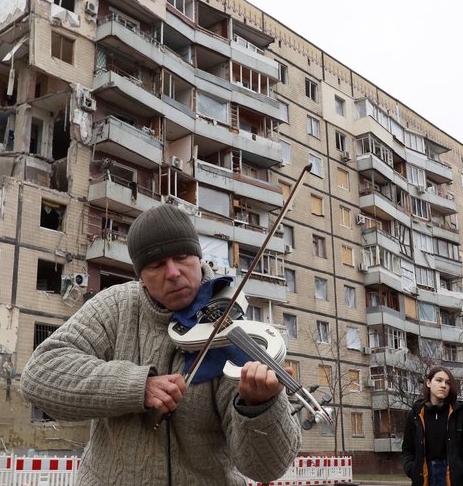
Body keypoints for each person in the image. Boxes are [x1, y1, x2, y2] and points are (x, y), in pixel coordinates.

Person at [20, 204, 301, 486]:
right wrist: (137, 386)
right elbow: (39, 375)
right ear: (141, 277)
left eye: (182, 257)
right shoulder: (115, 306)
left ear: (198, 258)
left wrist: (259, 408)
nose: (173, 273)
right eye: (156, 265)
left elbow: (266, 469)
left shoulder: (229, 327)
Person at [402, 365, 463, 486]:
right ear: (428, 383)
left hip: (453, 478)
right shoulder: (415, 414)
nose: (443, 385)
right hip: (424, 477)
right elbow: (407, 450)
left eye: (448, 383)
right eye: (439, 380)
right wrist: (411, 470)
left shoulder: (461, 413)